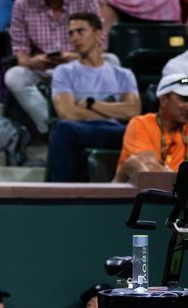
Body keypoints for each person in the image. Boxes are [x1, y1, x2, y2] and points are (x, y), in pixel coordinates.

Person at [47, 12, 140, 182]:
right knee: (63, 128)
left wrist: (90, 104)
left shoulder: (123, 74)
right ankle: (59, 192)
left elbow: (134, 110)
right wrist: (114, 110)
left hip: (116, 131)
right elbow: (67, 113)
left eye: (80, 31)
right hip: (81, 130)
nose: (74, 38)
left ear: (98, 34)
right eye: (71, 33)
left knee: (141, 129)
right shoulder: (64, 72)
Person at [4, 0, 101, 136]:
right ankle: (55, 128)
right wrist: (33, 62)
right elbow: (21, 54)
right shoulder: (23, 4)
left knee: (112, 61)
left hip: (78, 65)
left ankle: (98, 122)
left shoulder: (87, 2)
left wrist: (74, 57)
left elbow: (100, 45)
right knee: (14, 76)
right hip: (42, 69)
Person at [114, 73, 188, 182]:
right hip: (136, 193)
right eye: (184, 99)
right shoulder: (141, 123)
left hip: (177, 193)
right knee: (138, 164)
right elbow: (148, 167)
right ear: (164, 100)